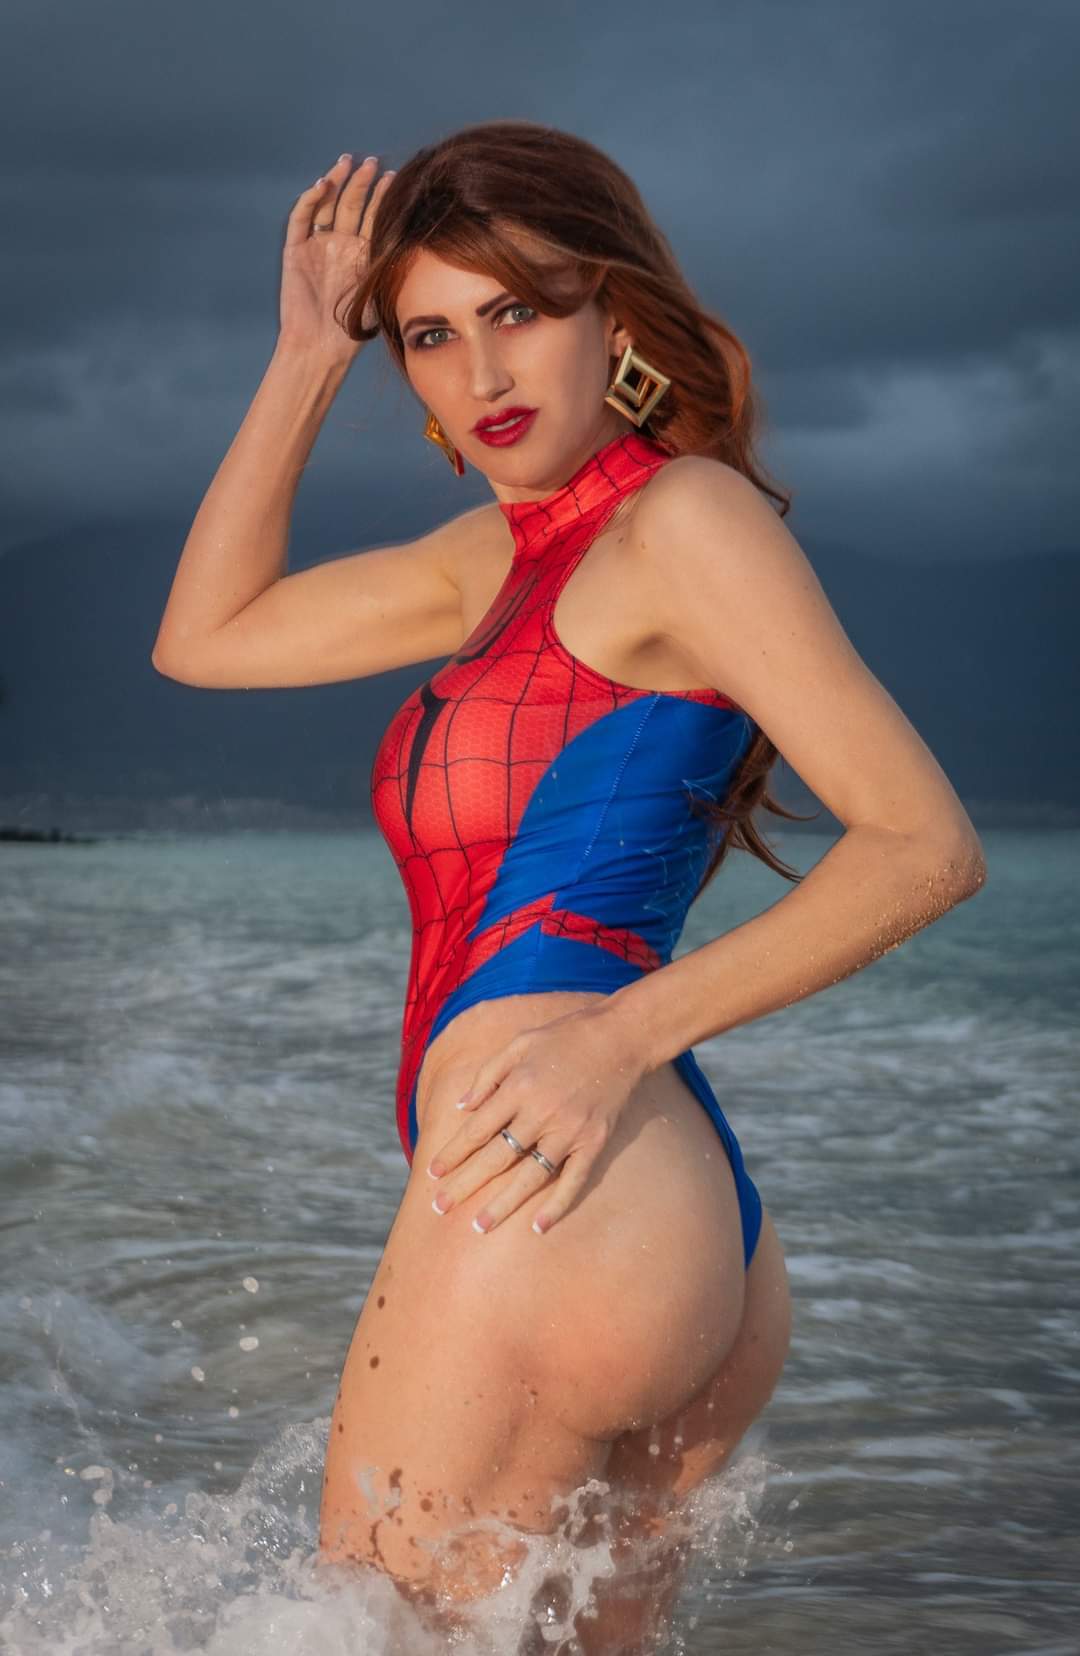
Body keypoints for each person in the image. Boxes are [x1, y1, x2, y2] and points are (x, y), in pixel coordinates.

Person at [152, 121, 988, 1651]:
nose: (482, 372)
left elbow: (923, 845)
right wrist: (308, 355)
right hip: (623, 1198)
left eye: (520, 311)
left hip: (556, 1179)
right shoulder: (492, 561)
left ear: (617, 314)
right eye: (429, 335)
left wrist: (612, 1044)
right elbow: (205, 638)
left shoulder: (685, 520)